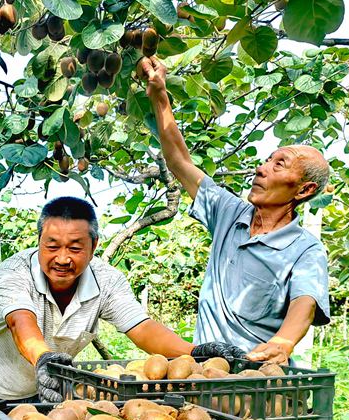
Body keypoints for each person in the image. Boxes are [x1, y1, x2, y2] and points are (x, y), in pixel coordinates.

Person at [139, 56, 331, 366]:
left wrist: (282, 342)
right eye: (267, 159)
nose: (261, 168)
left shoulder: (305, 250)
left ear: (304, 190)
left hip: (254, 379)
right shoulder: (229, 212)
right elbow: (179, 161)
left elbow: (304, 304)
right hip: (206, 375)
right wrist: (160, 95)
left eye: (278, 164)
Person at [0, 196, 243, 408]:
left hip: (53, 388)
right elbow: (20, 321)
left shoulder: (107, 280)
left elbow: (142, 328)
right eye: (52, 247)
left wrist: (193, 351)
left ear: (94, 245)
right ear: (39, 241)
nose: (62, 259)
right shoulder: (14, 270)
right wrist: (44, 358)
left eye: (75, 248)